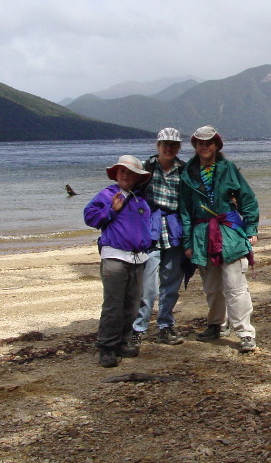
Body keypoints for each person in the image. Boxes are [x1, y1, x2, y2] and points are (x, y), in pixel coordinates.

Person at [178, 125, 259, 353]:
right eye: (200, 143)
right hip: (202, 235)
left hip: (229, 232)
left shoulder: (228, 169)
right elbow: (185, 211)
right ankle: (216, 325)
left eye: (209, 143)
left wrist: (251, 227)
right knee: (212, 287)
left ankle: (244, 333)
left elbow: (247, 198)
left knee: (235, 286)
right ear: (194, 145)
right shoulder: (187, 174)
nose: (204, 147)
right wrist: (187, 243)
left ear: (216, 145)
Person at [83, 155, 152, 368]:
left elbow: (147, 225)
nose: (125, 175)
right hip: (114, 257)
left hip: (138, 259)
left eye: (130, 172)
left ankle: (123, 342)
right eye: (122, 171)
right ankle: (106, 347)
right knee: (113, 305)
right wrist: (111, 210)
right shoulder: (108, 194)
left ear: (137, 178)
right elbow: (90, 217)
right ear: (116, 174)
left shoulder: (141, 200)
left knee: (132, 304)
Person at [131, 127, 193, 347]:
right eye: (165, 144)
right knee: (147, 286)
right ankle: (138, 329)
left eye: (174, 145)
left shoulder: (185, 171)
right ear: (157, 146)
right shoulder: (145, 170)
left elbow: (191, 203)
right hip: (150, 232)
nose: (169, 148)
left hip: (175, 232)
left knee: (171, 283)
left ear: (179, 147)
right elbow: (130, 195)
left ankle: (165, 326)